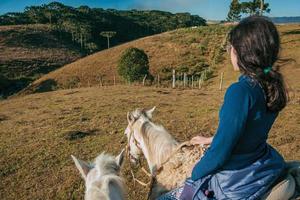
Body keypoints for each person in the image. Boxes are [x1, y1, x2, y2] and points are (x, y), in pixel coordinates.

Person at [158, 15, 288, 200]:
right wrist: (212, 138)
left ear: (243, 53)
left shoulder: (240, 91)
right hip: (263, 163)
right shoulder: (269, 85)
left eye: (232, 47)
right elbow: (247, 130)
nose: (230, 51)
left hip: (237, 180)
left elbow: (219, 154)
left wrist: (194, 173)